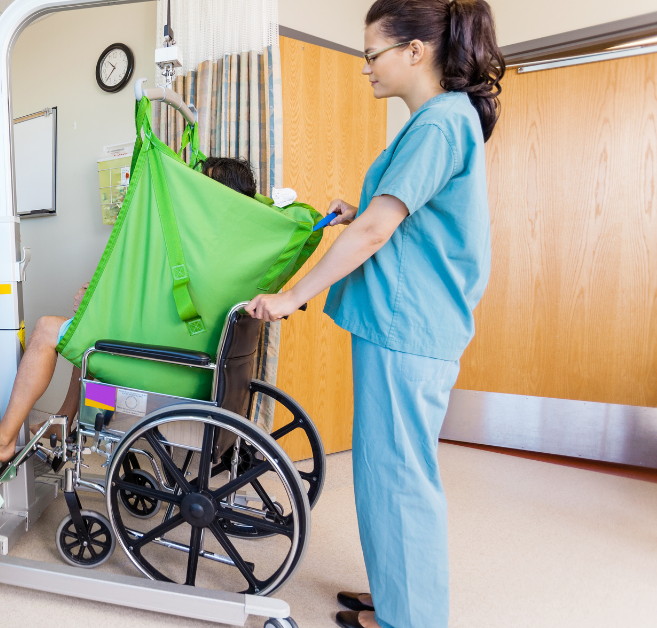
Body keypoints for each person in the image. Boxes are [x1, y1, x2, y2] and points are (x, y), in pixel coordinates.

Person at [243, 2, 503, 627]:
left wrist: (290, 296)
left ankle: (409, 618)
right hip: (403, 323)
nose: (366, 69)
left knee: (400, 478)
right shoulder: (431, 123)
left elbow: (377, 234)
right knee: (385, 472)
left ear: (416, 50)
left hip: (409, 327)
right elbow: (395, 217)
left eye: (371, 55)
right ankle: (396, 595)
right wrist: (355, 208)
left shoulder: (440, 123)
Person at [0, 157, 262, 462]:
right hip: (200, 370)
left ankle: (2, 440)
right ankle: (65, 420)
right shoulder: (235, 252)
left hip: (171, 372)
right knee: (86, 334)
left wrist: (96, 307)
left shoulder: (197, 248)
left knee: (48, 328)